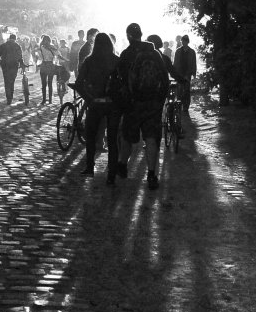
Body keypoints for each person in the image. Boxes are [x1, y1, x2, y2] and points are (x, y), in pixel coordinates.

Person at [114, 23, 173, 189]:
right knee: (151, 138)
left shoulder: (126, 54)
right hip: (153, 104)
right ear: (142, 34)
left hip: (133, 104)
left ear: (128, 36)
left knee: (127, 136)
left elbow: (121, 78)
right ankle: (152, 175)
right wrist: (160, 101)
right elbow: (165, 79)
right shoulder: (155, 54)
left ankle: (122, 165)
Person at [74, 32, 120, 177]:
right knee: (112, 139)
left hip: (95, 104)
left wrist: (89, 99)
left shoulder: (89, 61)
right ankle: (112, 173)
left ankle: (89, 167)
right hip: (112, 105)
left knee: (91, 137)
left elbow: (78, 84)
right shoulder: (117, 61)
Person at [0, 32, 25, 105]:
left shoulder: (3, 46)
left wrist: (0, 63)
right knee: (12, 81)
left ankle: (8, 97)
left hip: (5, 66)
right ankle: (10, 98)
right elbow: (20, 57)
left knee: (6, 81)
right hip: (14, 65)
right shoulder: (17, 46)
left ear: (9, 38)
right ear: (15, 39)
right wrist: (22, 65)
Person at [173, 34, 198, 120]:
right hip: (179, 73)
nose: (184, 42)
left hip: (187, 73)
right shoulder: (178, 51)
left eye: (185, 41)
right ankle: (180, 106)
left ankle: (186, 107)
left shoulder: (192, 52)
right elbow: (175, 62)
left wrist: (194, 74)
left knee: (187, 90)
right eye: (183, 41)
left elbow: (194, 63)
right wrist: (174, 73)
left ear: (187, 42)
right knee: (179, 91)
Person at [37, 34, 60, 104]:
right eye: (45, 41)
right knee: (46, 84)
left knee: (47, 84)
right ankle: (46, 100)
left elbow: (57, 55)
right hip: (49, 65)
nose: (46, 42)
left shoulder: (43, 47)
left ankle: (48, 100)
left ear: (49, 41)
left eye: (47, 41)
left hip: (45, 65)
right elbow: (58, 55)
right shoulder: (43, 47)